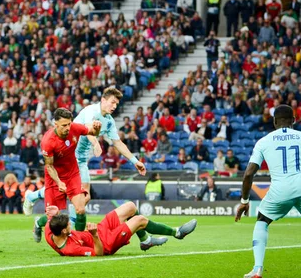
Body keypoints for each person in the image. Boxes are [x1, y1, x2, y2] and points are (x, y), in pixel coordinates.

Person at [236, 105, 301, 278]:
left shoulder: (263, 141)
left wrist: (245, 201)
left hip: (280, 189)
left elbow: (248, 174)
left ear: (275, 121)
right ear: (293, 120)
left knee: (262, 220)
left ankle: (257, 269)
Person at [24, 89, 148, 236]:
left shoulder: (109, 121)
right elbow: (88, 130)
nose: (114, 106)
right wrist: (96, 143)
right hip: (70, 156)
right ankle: (67, 227)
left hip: (82, 160)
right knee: (76, 198)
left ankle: (39, 207)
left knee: (84, 198)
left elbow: (117, 142)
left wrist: (135, 161)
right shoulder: (91, 111)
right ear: (103, 100)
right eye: (112, 102)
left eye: (117, 103)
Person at [30, 108, 101, 243]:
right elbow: (49, 166)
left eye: (69, 123)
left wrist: (97, 128)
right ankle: (39, 222)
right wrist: (58, 182)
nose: (68, 128)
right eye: (64, 125)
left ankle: (80, 240)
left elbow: (92, 132)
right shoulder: (48, 141)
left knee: (80, 209)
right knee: (54, 217)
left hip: (72, 174)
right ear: (55, 124)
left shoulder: (74, 128)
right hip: (54, 178)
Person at [45, 202, 197, 256]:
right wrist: (95, 236)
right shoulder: (70, 249)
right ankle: (177, 232)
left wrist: (53, 214)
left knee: (130, 207)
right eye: (68, 225)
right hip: (106, 242)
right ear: (64, 231)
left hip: (101, 228)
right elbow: (98, 253)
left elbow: (46, 222)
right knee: (140, 220)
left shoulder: (50, 231)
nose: (70, 225)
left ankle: (145, 240)